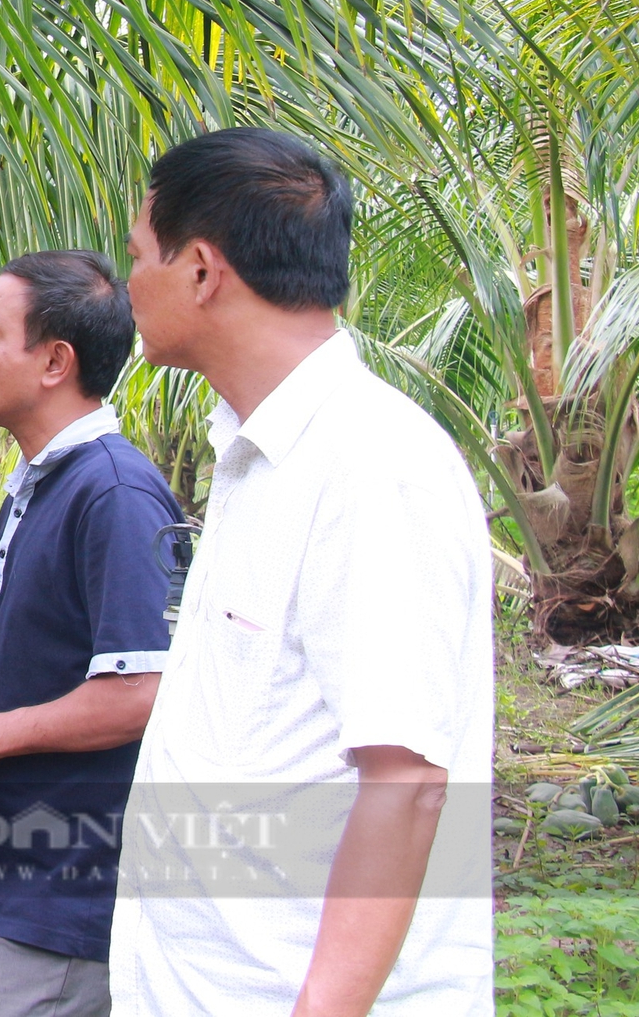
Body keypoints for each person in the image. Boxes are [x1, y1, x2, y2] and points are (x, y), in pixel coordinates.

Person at [110, 128, 493, 1015]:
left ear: (201, 270)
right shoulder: (257, 453)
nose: (127, 281)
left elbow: (406, 782)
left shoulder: (370, 465)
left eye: (138, 255)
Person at [0, 251, 181, 1017]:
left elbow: (142, 692)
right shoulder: (43, 485)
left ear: (55, 361)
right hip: (23, 875)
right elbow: (43, 665)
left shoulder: (114, 495)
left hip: (69, 890)